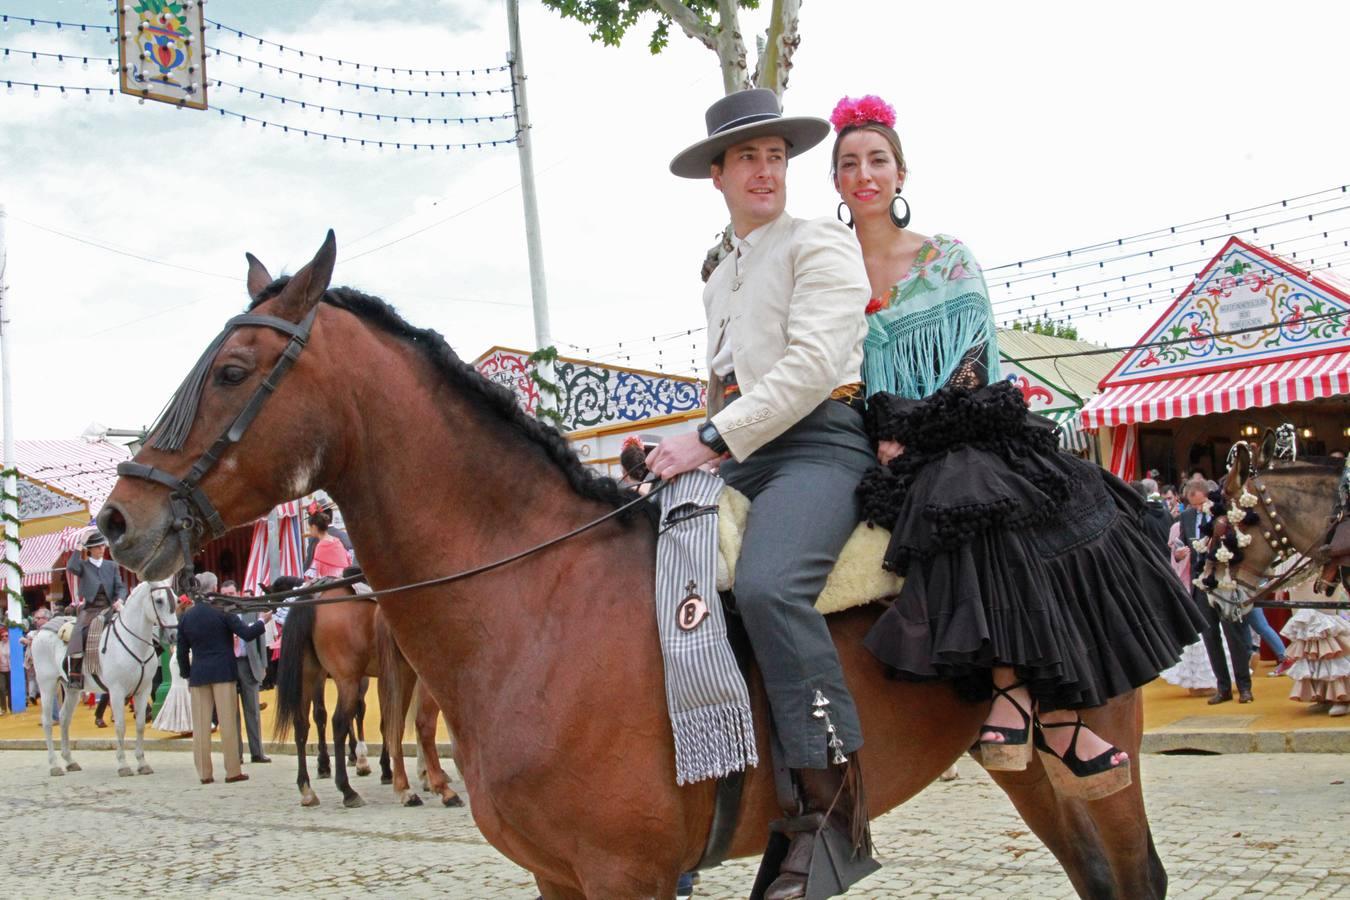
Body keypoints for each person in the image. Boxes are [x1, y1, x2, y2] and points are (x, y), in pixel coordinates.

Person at [831, 93, 1203, 799]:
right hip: (872, 435)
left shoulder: (946, 258)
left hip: (962, 416)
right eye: (849, 163)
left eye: (877, 159)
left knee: (985, 490)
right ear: (838, 183)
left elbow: (974, 357)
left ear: (900, 174)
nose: (864, 173)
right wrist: (880, 437)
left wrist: (917, 432)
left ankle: (1034, 699)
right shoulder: (828, 270)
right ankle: (1049, 713)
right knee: (951, 498)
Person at [653, 87, 878, 898]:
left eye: (776, 157)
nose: (765, 171)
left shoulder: (820, 242)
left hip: (821, 445)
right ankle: (678, 804)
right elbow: (727, 384)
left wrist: (710, 438)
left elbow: (813, 366)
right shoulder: (719, 273)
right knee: (649, 577)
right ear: (717, 174)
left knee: (768, 585)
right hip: (744, 454)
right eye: (747, 156)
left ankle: (833, 809)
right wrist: (688, 449)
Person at [177, 571, 270, 784]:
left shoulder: (187, 616)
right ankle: (232, 771)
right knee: (228, 723)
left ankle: (205, 773)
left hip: (199, 674)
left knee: (200, 727)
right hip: (223, 672)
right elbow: (246, 634)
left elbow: (182, 651)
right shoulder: (222, 611)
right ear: (215, 588)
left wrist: (187, 673)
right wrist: (263, 621)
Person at [1179, 478, 1253, 704]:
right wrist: (1179, 552)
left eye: (1200, 504)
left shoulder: (1225, 513)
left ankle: (1244, 687)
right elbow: (1182, 543)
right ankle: (1223, 688)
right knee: (1210, 637)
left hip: (1225, 581)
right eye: (1192, 506)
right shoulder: (1185, 517)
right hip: (1201, 582)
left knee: (1234, 635)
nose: (1197, 509)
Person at [64, 530, 128, 693]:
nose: (102, 549)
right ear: (90, 549)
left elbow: (120, 587)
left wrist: (120, 599)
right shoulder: (83, 566)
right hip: (91, 609)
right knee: (79, 633)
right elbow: (71, 566)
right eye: (98, 546)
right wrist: (79, 545)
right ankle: (76, 674)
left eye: (103, 546)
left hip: (110, 607)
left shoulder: (112, 565)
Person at [221, 580, 270, 763]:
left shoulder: (249, 610)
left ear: (238, 593)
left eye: (231, 593)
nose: (228, 597)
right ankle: (237, 754)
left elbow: (260, 638)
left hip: (249, 663)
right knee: (232, 713)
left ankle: (257, 752)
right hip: (229, 665)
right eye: (225, 593)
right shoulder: (221, 614)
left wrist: (263, 664)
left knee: (253, 710)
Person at [152, 598, 194, 734]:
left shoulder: (176, 621)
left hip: (176, 656)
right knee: (183, 689)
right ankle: (187, 723)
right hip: (183, 655)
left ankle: (180, 724)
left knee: (178, 688)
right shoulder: (184, 621)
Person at [304, 509, 351, 580]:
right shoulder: (336, 540)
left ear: (314, 527)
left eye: (309, 527)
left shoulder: (321, 546)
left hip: (331, 583)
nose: (309, 530)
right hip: (343, 579)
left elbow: (314, 575)